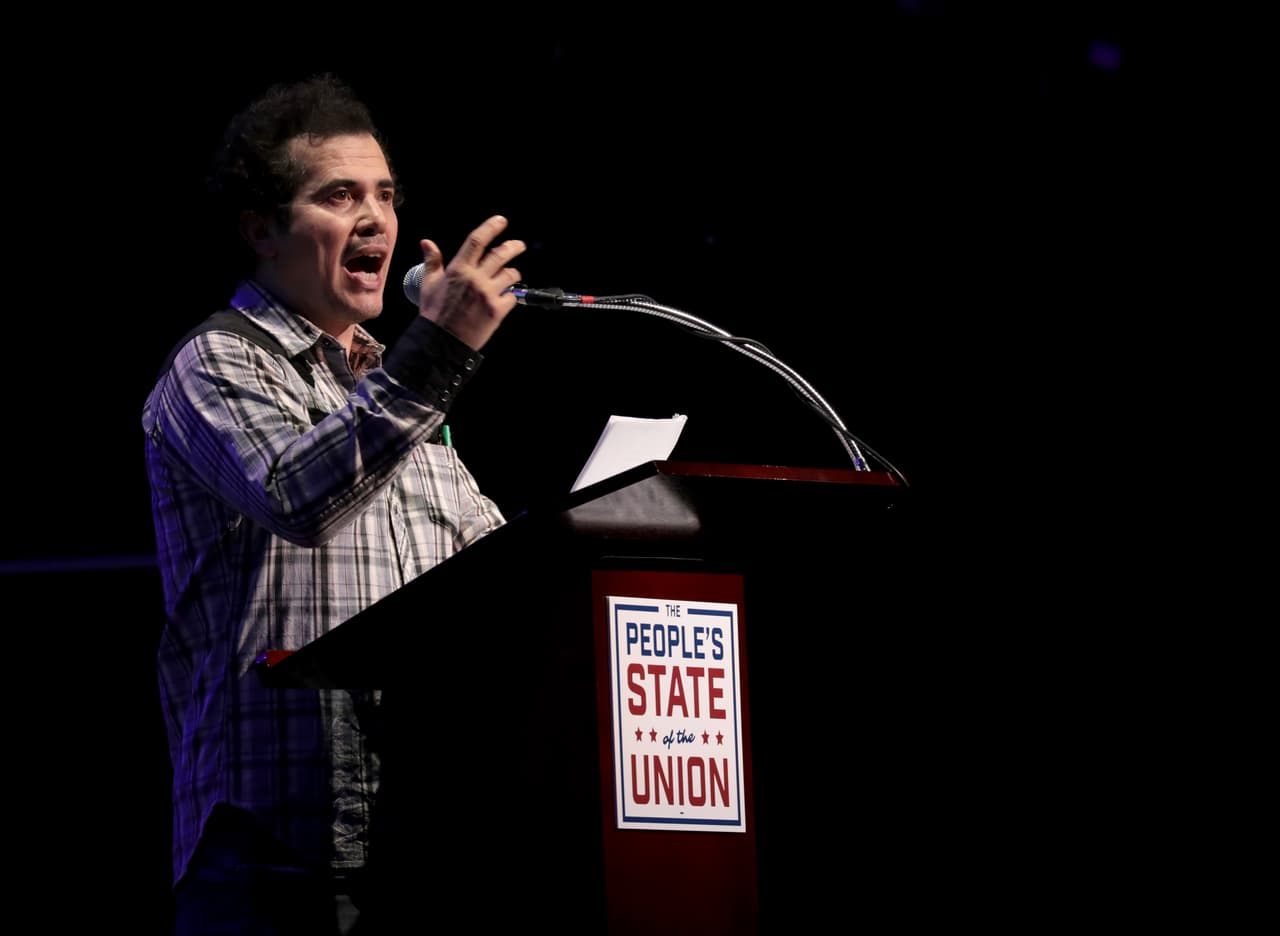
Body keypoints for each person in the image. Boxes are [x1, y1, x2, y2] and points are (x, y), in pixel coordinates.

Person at [142, 73, 524, 935]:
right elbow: (297, 495)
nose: (376, 218)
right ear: (261, 230)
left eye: (385, 194)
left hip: (417, 843)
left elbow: (493, 570)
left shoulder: (399, 393)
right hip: (268, 854)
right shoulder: (216, 365)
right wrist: (435, 354)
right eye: (338, 195)